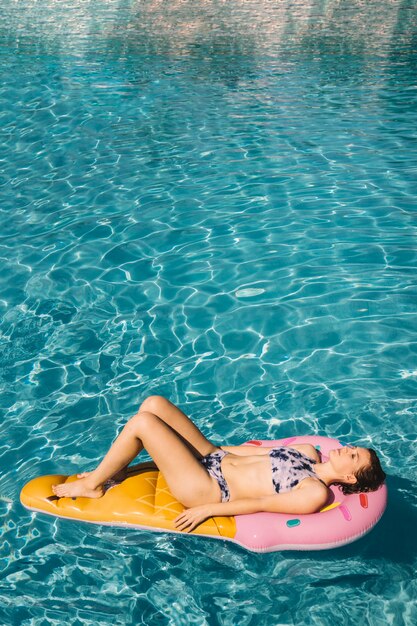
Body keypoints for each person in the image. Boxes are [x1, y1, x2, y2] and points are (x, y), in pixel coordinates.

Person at [52, 396, 386, 532]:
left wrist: (207, 510)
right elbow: (246, 453)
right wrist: (198, 446)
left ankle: (93, 484)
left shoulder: (313, 492)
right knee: (154, 404)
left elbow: (259, 502)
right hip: (216, 458)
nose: (349, 448)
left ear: (349, 479)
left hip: (209, 489)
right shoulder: (308, 452)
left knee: (143, 423)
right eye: (355, 448)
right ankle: (119, 467)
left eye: (355, 457)